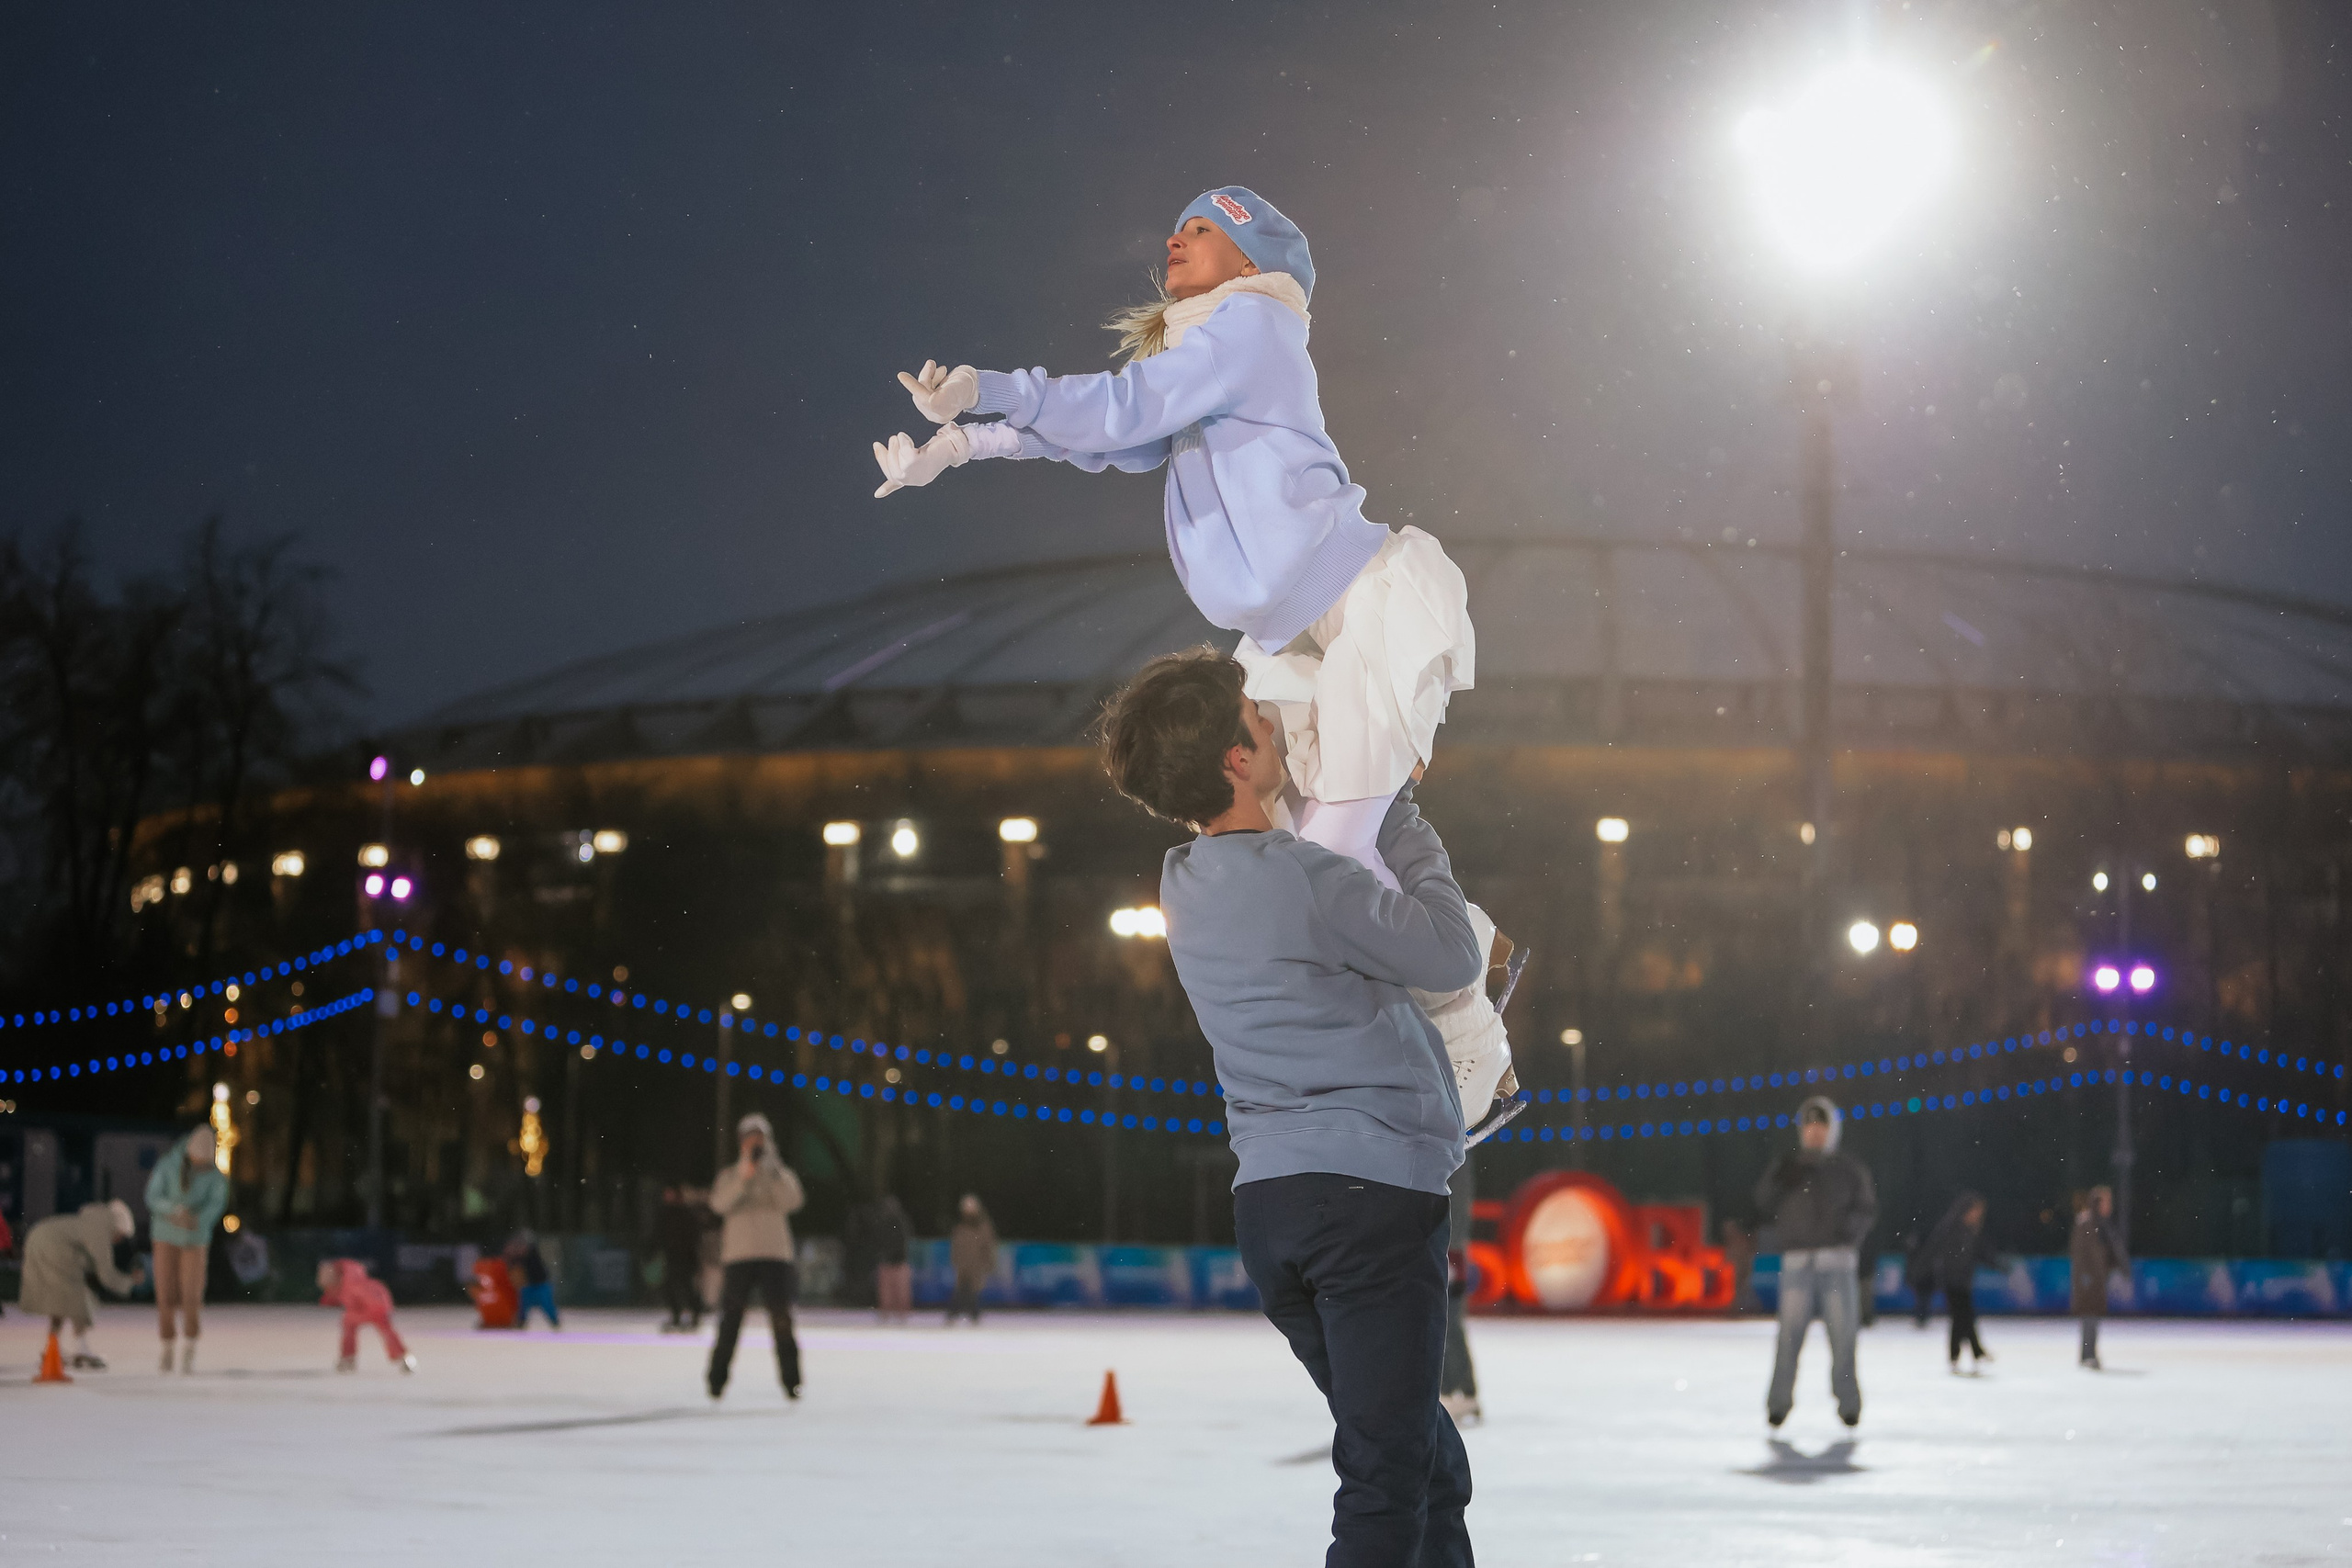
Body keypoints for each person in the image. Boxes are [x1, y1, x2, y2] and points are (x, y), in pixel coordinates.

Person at [872, 185, 1518, 1134]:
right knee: (1288, 825)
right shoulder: (1202, 359)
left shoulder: (1253, 329)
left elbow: (1121, 408)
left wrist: (992, 389)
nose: (1175, 237)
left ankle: (1473, 1052)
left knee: (1329, 859)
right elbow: (1105, 443)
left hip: (1363, 602)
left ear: (1252, 259)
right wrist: (962, 443)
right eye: (1175, 226)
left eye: (1204, 226)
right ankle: (1470, 943)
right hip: (1286, 639)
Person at [1102, 648, 1482, 1568]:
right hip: (1369, 1195)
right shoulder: (1304, 877)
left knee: (1426, 1464)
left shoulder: (1183, 883)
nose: (1272, 719)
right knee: (1389, 1476)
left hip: (1272, 1210)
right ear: (1235, 758)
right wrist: (1395, 816)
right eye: (1255, 715)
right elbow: (1450, 954)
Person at [1756, 1097, 1878, 1429]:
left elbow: (1866, 1209)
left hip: (1836, 1261)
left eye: (1821, 1127)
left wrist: (1847, 1234)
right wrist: (1781, 1179)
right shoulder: (1788, 1166)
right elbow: (1762, 1203)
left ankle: (1849, 1403)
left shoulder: (1848, 1169)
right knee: (1788, 1338)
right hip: (1797, 1261)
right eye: (1809, 1127)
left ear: (1832, 1130)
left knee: (1843, 1337)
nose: (1815, 1133)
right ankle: (1778, 1403)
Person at [707, 1111, 806, 1401]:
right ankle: (717, 1379)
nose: (756, 1143)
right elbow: (718, 1204)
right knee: (731, 1320)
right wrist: (744, 1174)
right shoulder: (730, 1175)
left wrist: (772, 1171)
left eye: (760, 1138)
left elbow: (794, 1201)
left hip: (775, 1255)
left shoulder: (780, 1174)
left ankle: (792, 1381)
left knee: (782, 1320)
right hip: (739, 1256)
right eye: (750, 1138)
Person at [144, 1124, 228, 1373]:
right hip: (165, 1237)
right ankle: (167, 1346)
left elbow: (216, 1205)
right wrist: (174, 1211)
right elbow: (152, 1196)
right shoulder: (168, 1166)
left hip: (195, 1240)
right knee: (165, 1293)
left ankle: (190, 1346)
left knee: (191, 1294)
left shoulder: (216, 1177)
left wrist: (196, 1221)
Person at [19, 1200, 143, 1370]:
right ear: (116, 1227)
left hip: (38, 1238)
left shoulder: (90, 1223)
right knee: (78, 1296)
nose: (118, 1240)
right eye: (121, 1235)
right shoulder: (100, 1230)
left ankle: (52, 1345)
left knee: (62, 1300)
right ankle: (81, 1347)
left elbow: (89, 1262)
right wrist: (131, 1282)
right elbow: (106, 1274)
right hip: (53, 1246)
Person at [1924, 1192, 2001, 1373]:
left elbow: (1977, 1253)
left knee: (1961, 1318)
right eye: (1976, 1210)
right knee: (1963, 1317)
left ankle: (1961, 1354)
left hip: (1963, 1280)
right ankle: (1971, 1352)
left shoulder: (1970, 1229)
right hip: (1952, 1280)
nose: (1978, 1214)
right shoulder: (1952, 1228)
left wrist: (1996, 1265)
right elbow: (1936, 1250)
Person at [317, 1258, 416, 1373]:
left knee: (357, 1324)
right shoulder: (344, 1284)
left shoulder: (349, 1283)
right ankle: (404, 1357)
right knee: (355, 1324)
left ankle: (348, 1359)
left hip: (374, 1307)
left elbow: (361, 1297)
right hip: (370, 1308)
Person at [2070, 1185, 2131, 1370]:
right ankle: (2087, 1355)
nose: (2109, 1206)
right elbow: (2080, 1253)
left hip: (2097, 1280)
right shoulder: (2087, 1223)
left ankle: (2089, 1353)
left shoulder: (2102, 1224)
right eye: (2106, 1201)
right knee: (2089, 1317)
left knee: (2093, 1317)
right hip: (2089, 1281)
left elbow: (2110, 1252)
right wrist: (2085, 1277)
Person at [1439, 1165, 1480, 1425]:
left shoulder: (1453, 1161)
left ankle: (1459, 1391)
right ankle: (1460, 1390)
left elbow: (1456, 1209)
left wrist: (1450, 1250)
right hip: (1446, 1250)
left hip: (1447, 1253)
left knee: (1447, 1322)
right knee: (1447, 1321)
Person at [655, 1185, 705, 1332]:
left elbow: (694, 1236)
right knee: (669, 1287)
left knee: (687, 1288)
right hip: (671, 1258)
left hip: (686, 1258)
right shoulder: (664, 1214)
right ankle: (676, 1315)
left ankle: (695, 1315)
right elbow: (658, 1234)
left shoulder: (686, 1214)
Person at [945, 1193, 997, 1325]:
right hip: (962, 1265)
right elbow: (955, 1246)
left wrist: (988, 1263)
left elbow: (988, 1246)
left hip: (976, 1265)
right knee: (960, 1291)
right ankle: (954, 1314)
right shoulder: (960, 1227)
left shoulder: (983, 1227)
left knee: (973, 1292)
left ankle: (973, 1316)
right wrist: (955, 1260)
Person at [870, 1192, 913, 1323]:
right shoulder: (886, 1222)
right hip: (891, 1261)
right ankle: (890, 1314)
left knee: (897, 1292)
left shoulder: (898, 1222)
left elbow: (901, 1240)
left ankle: (899, 1315)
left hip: (897, 1261)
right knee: (889, 1293)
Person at [506, 1232, 560, 1329]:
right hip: (529, 1287)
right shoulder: (519, 1258)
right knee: (523, 1306)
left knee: (548, 1306)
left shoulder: (533, 1254)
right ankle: (521, 1323)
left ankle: (555, 1323)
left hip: (542, 1285)